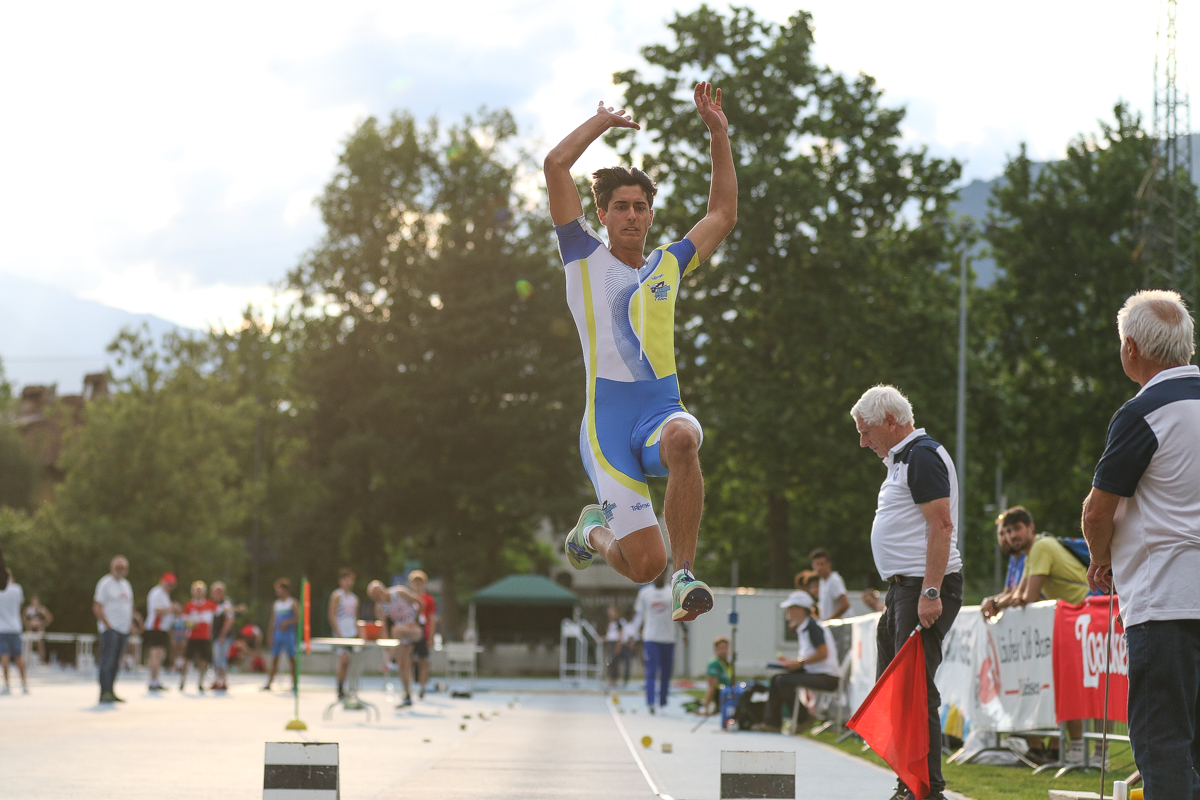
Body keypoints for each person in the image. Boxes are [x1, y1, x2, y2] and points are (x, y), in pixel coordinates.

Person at [546, 81, 737, 623]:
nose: (631, 215)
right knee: (642, 564)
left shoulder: (669, 264)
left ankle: (685, 576)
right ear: (602, 214)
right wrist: (601, 121)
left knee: (684, 438)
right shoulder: (581, 257)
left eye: (640, 207)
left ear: (651, 215)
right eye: (620, 207)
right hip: (606, 428)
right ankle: (592, 530)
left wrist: (718, 135)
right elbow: (556, 166)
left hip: (660, 410)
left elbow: (723, 213)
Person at [1081, 290, 1200, 798]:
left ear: (1131, 347)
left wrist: (1100, 558)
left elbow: (1097, 511)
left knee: (1163, 743)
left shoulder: (1144, 411)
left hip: (1165, 601)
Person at [851, 385, 963, 800]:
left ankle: (927, 790)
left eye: (866, 432)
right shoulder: (901, 460)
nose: (863, 442)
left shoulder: (922, 456)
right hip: (904, 587)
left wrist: (930, 591)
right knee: (897, 690)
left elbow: (942, 526)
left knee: (914, 691)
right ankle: (909, 783)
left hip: (923, 586)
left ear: (890, 422)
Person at [982, 506, 1087, 621]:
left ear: (1031, 527)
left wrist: (996, 604)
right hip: (1078, 612)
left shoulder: (1040, 547)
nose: (1012, 535)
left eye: (1017, 528)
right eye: (1008, 531)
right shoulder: (1029, 554)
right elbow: (1018, 594)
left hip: (1086, 608)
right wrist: (1003, 602)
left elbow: (1029, 597)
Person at [756, 591, 840, 732]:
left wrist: (799, 663)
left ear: (800, 609)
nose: (787, 612)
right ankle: (772, 723)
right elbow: (812, 656)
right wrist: (792, 662)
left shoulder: (813, 627)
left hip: (827, 677)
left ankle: (803, 718)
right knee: (776, 679)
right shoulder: (805, 628)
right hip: (817, 673)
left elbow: (823, 653)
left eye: (790, 608)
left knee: (783, 681)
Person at [368, 579, 424, 707]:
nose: (378, 598)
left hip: (414, 629)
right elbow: (383, 628)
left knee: (396, 630)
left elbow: (420, 602)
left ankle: (389, 660)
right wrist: (387, 645)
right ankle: (407, 695)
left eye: (378, 593)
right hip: (400, 637)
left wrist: (415, 620)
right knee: (402, 665)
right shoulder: (380, 607)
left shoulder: (399, 593)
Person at [93, 555, 136, 704]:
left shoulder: (126, 584)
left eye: (123, 568)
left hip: (123, 630)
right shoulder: (105, 583)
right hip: (111, 629)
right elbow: (97, 606)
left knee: (117, 662)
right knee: (107, 661)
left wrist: (131, 623)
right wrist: (107, 625)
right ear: (112, 568)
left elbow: (128, 606)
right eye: (118, 567)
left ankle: (111, 690)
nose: (120, 570)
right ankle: (104, 692)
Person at [634, 568, 675, 713]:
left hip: (668, 638)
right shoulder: (645, 593)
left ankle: (663, 702)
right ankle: (650, 702)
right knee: (651, 670)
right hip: (651, 638)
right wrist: (633, 634)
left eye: (662, 573)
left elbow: (679, 614)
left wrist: (685, 632)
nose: (660, 576)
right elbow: (639, 616)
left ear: (666, 574)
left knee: (666, 672)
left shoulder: (672, 592)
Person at [179, 580, 217, 693]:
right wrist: (191, 624)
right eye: (197, 590)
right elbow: (184, 621)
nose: (198, 593)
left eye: (200, 591)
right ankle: (182, 680)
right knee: (187, 659)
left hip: (205, 636)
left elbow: (222, 610)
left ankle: (200, 682)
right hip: (192, 636)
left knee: (204, 659)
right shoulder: (189, 605)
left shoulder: (209, 604)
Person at [143, 572, 178, 691]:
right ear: (161, 581)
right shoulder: (157, 593)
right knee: (156, 655)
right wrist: (172, 609)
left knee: (160, 655)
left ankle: (156, 679)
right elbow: (157, 611)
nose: (169, 586)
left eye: (171, 584)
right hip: (156, 628)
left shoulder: (164, 594)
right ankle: (153, 681)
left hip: (162, 629)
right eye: (168, 583)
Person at [263, 578, 299, 692]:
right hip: (277, 634)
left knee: (292, 659)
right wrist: (270, 635)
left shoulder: (292, 603)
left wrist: (287, 622)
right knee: (274, 658)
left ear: (285, 590)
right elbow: (273, 621)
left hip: (289, 634)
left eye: (279, 589)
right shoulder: (276, 604)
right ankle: (269, 682)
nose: (277, 592)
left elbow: (298, 618)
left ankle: (295, 683)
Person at [328, 568, 359, 699]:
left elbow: (355, 617)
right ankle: (340, 688)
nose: (348, 582)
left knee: (349, 662)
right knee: (343, 661)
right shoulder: (337, 595)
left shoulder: (354, 598)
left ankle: (347, 688)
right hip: (341, 633)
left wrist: (358, 633)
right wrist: (338, 633)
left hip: (351, 633)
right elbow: (332, 615)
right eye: (346, 579)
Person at [408, 570, 437, 699]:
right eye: (415, 583)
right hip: (409, 632)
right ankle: (409, 685)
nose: (417, 585)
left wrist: (431, 636)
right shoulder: (407, 598)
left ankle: (422, 687)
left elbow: (431, 618)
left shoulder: (428, 600)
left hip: (423, 633)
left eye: (420, 583)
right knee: (408, 660)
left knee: (422, 661)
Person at [209, 582, 242, 692]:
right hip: (215, 636)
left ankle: (223, 681)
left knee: (222, 658)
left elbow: (229, 620)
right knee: (216, 659)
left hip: (223, 636)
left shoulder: (226, 604)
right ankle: (216, 681)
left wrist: (222, 634)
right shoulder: (212, 604)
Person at [0, 568, 28, 694]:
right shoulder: (16, 589)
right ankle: (24, 684)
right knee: (18, 656)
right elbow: (20, 604)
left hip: (2, 628)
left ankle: (7, 685)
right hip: (15, 627)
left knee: (4, 656)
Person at [810, 548, 850, 620]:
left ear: (829, 564)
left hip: (839, 625)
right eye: (816, 564)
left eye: (822, 564)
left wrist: (830, 620)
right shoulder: (822, 581)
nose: (819, 568)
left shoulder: (834, 580)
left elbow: (845, 604)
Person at [702, 636, 732, 715]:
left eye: (725, 648)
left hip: (728, 695)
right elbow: (711, 687)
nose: (723, 651)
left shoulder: (728, 663)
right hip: (721, 696)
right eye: (720, 648)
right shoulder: (714, 664)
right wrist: (706, 708)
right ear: (715, 650)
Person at [22, 594, 53, 665]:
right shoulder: (28, 609)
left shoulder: (42, 609)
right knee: (28, 644)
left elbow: (49, 617)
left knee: (40, 644)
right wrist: (27, 624)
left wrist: (43, 623)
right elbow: (23, 618)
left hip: (39, 629)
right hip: (30, 629)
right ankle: (26, 661)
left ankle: (42, 661)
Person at [603, 605, 623, 688]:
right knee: (609, 661)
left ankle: (615, 679)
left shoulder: (618, 623)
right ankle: (609, 678)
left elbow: (620, 635)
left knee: (614, 662)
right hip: (610, 643)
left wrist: (618, 646)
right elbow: (609, 634)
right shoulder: (609, 622)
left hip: (615, 643)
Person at [619, 608, 639, 688]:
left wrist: (629, 644)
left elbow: (631, 636)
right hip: (623, 644)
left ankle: (626, 680)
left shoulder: (632, 625)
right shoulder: (623, 623)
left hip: (628, 646)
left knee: (627, 663)